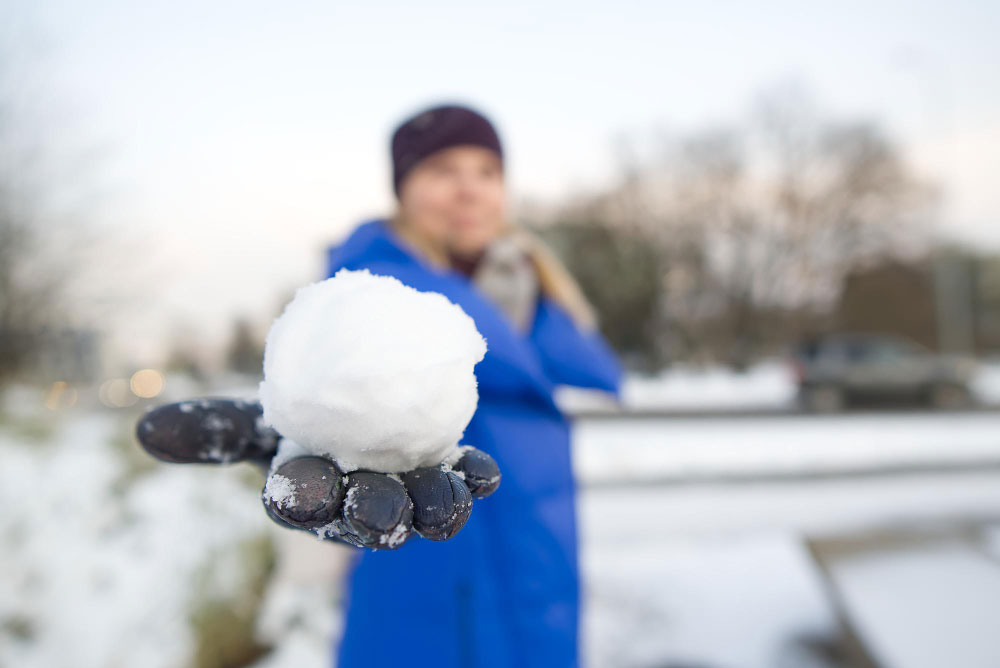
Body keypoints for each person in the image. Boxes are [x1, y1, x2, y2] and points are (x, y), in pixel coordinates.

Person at [325, 103, 623, 667]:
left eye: (487, 172)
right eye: (442, 171)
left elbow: (599, 377)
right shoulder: (367, 299)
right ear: (403, 190)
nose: (470, 191)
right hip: (424, 610)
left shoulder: (537, 299)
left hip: (537, 599)